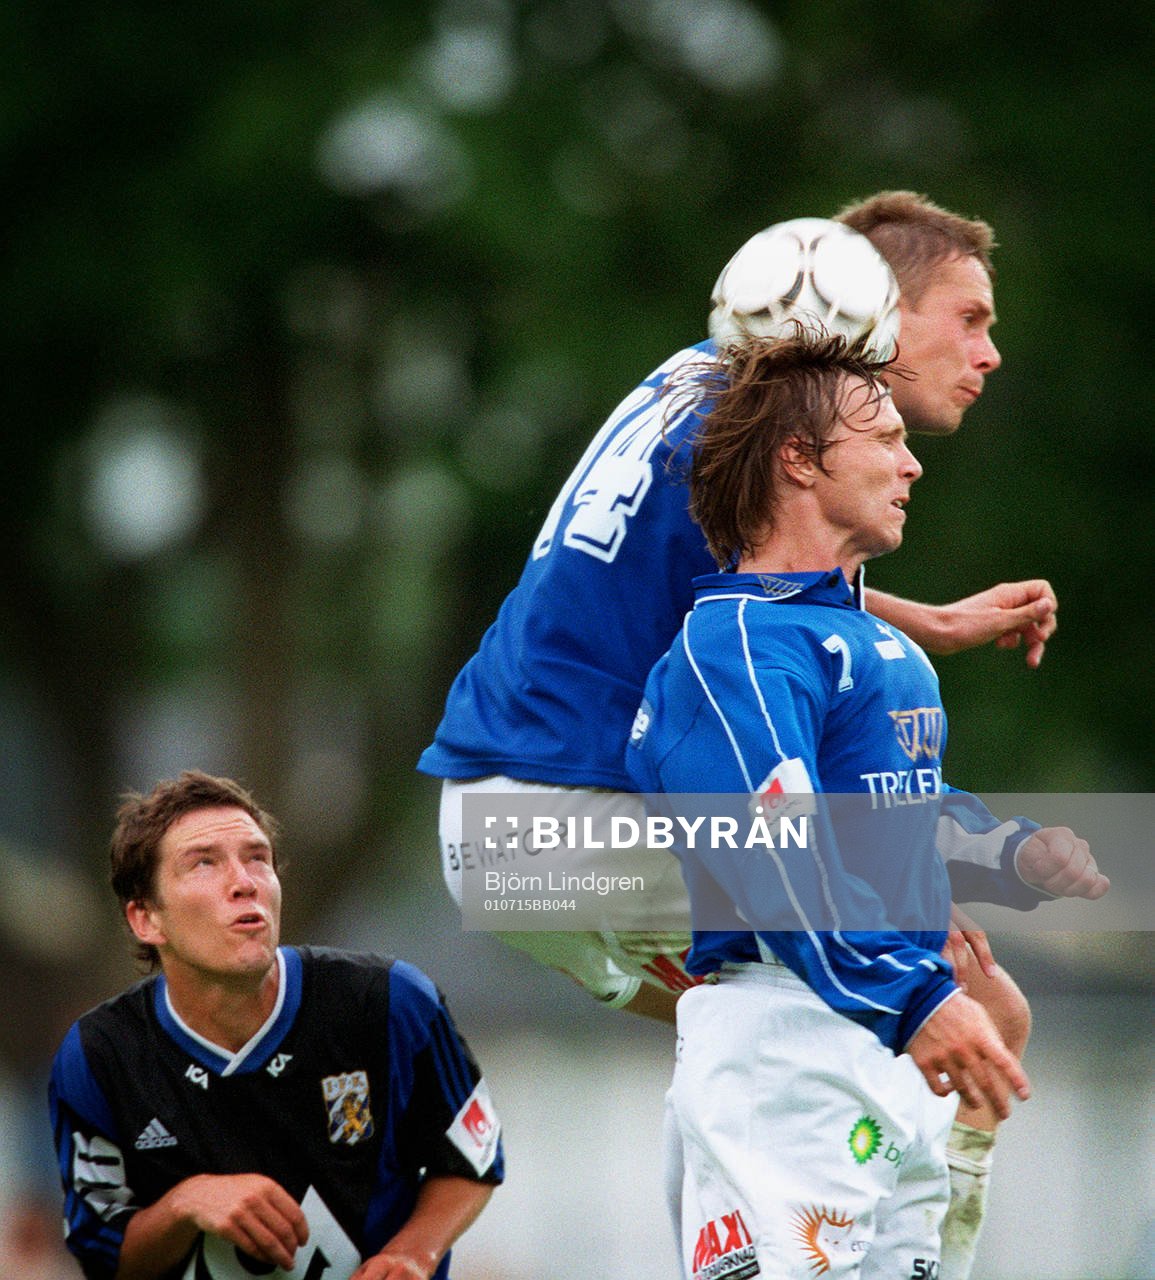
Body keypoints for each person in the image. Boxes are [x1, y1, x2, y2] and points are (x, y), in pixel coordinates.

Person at [418, 191, 1053, 1274]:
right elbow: (755, 622)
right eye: (970, 318)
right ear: (878, 313)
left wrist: (930, 620)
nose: (987, 351)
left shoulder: (711, 381)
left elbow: (736, 586)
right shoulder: (766, 430)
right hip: (559, 815)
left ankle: (823, 1224)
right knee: (901, 954)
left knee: (787, 1026)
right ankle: (940, 1192)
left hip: (515, 815)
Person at [625, 331, 1107, 1279]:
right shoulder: (736, 648)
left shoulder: (866, 643)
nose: (912, 459)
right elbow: (776, 856)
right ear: (798, 461)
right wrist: (917, 997)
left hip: (893, 1035)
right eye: (884, 436)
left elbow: (888, 806)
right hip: (791, 1046)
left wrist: (1004, 851)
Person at [49, 771, 503, 1280]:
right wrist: (186, 1203)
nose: (244, 882)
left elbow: (472, 1159)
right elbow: (104, 1256)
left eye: (257, 858)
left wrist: (413, 1254)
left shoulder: (391, 1002)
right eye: (203, 863)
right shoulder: (98, 1055)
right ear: (146, 919)